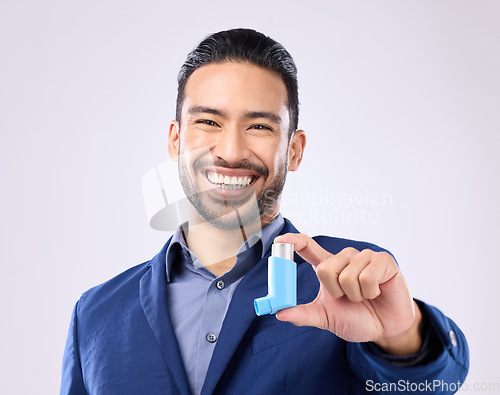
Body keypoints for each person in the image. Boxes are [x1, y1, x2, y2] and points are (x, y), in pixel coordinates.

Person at [61, 28, 469, 394]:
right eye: (208, 121)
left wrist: (403, 336)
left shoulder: (348, 281)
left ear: (294, 150)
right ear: (175, 140)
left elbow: (425, 387)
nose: (232, 151)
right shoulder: (96, 315)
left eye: (259, 127)